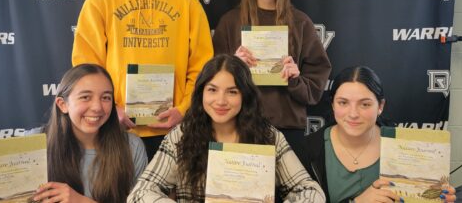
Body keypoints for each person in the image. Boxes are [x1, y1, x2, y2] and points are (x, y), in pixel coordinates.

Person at [71, 0, 213, 160]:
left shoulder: (187, 2)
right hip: (117, 128)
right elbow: (86, 64)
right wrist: (111, 108)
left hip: (173, 130)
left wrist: (182, 109)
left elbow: (203, 67)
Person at [127, 54, 326, 202]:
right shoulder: (181, 136)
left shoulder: (268, 135)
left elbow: (311, 192)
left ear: (245, 96)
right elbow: (140, 193)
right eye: (212, 90)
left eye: (232, 91)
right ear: (201, 94)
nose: (220, 101)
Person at [213, 0, 331, 161]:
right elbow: (211, 82)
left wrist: (295, 79)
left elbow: (314, 88)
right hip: (239, 128)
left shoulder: (300, 22)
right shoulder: (230, 22)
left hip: (288, 129)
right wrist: (233, 67)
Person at [302, 66, 456, 203]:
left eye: (365, 104)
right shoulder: (309, 150)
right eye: (343, 102)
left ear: (380, 106)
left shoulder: (405, 145)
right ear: (332, 105)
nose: (353, 114)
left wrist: (436, 198)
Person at [31, 64, 147, 202]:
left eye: (106, 98)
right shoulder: (34, 142)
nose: (97, 107)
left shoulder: (132, 146)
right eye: (85, 97)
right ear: (63, 104)